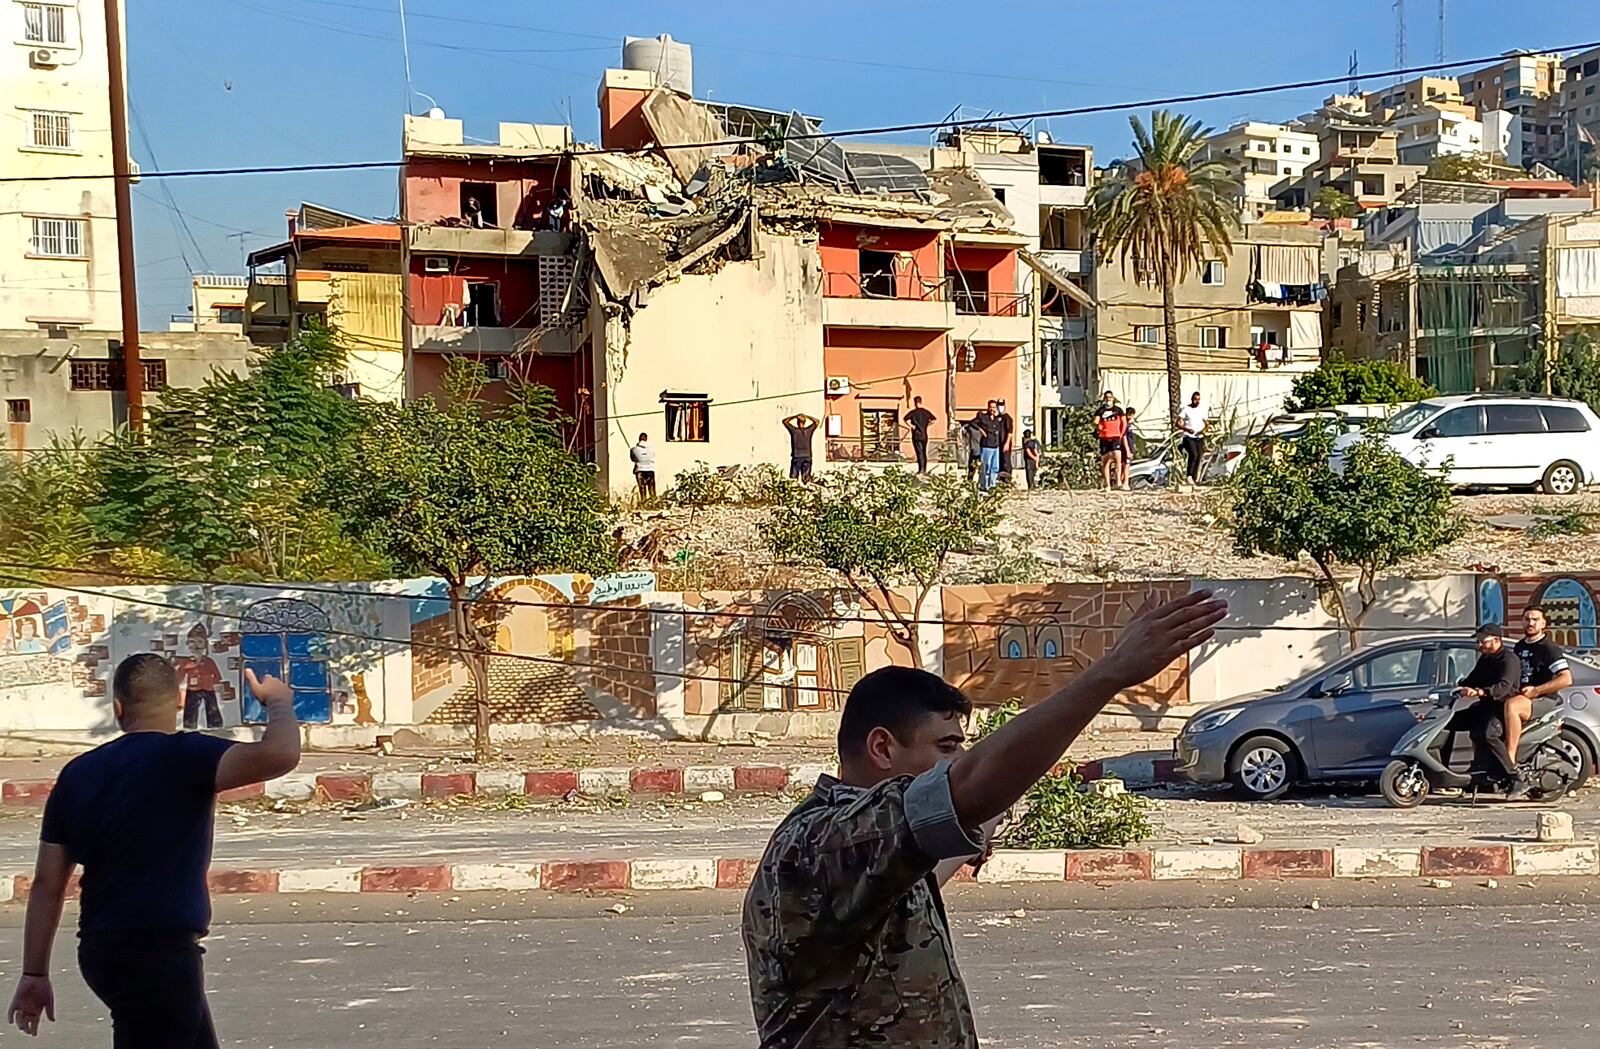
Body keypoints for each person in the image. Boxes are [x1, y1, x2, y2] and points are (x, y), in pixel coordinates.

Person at [742, 590, 1228, 1047]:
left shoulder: (870, 848)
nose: (958, 760)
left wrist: (984, 816)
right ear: (883, 748)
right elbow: (968, 788)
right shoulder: (822, 841)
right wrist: (1109, 674)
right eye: (947, 747)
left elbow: (930, 868)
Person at [7, 655, 303, 1045]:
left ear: (118, 707)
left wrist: (34, 974)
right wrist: (279, 701)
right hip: (159, 955)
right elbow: (281, 753)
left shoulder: (78, 773)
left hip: (102, 951)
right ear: (181, 701)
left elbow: (48, 882)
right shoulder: (188, 756)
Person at [1451, 623, 1528, 798]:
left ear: (1496, 640)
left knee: (1487, 733)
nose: (1479, 645)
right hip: (1485, 706)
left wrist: (1480, 692)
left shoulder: (1509, 659)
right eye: (1478, 641)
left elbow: (1504, 687)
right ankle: (1443, 772)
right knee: (1450, 723)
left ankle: (1515, 776)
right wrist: (1456, 688)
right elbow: (1472, 679)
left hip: (1502, 708)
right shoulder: (1485, 659)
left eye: (1482, 641)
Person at [1511, 605, 1572, 775]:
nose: (1531, 623)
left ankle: (1510, 760)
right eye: (1527, 619)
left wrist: (1536, 691)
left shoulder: (1548, 648)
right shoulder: (1519, 647)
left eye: (1535, 619)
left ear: (1544, 623)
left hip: (1543, 700)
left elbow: (1566, 679)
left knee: (1512, 707)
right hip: (1523, 698)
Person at [173, 624, 224, 730]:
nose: (196, 646)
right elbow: (180, 676)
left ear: (205, 645)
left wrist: (217, 683)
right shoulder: (186, 662)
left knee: (212, 708)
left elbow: (217, 675)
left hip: (208, 688)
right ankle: (189, 726)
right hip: (193, 689)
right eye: (192, 642)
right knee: (191, 709)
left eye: (200, 642)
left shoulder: (208, 661)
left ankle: (215, 726)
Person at [1094, 390, 1127, 491]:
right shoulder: (1100, 411)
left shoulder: (1118, 410)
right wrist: (1098, 427)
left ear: (1113, 398)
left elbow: (1124, 423)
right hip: (1104, 438)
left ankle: (1118, 482)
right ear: (1104, 399)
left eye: (1110, 397)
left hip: (1115, 437)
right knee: (1105, 462)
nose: (1108, 399)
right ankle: (1107, 485)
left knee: (1118, 458)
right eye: (1107, 397)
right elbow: (1095, 421)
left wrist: (1121, 434)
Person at [1177, 391, 1208, 487]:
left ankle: (1195, 477)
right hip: (1188, 436)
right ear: (1192, 399)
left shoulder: (1202, 409)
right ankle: (1189, 475)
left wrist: (1204, 430)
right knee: (1193, 454)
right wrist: (1186, 429)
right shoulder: (1186, 409)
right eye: (1195, 399)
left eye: (1198, 400)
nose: (1197, 401)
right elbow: (1177, 423)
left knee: (1199, 456)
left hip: (1199, 437)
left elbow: (1207, 424)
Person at [905, 396, 936, 474]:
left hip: (916, 435)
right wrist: (927, 425)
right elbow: (934, 419)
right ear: (921, 402)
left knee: (919, 452)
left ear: (915, 403)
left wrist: (912, 426)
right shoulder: (926, 412)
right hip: (924, 435)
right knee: (924, 452)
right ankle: (924, 469)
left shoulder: (913, 412)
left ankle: (921, 469)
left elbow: (905, 419)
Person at [976, 401, 1003, 492]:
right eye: (991, 407)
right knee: (985, 467)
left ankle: (992, 485)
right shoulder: (983, 417)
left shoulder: (996, 419)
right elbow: (973, 423)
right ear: (988, 407)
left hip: (995, 446)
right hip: (986, 446)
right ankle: (983, 485)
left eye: (994, 407)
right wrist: (981, 430)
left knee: (995, 467)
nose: (992, 409)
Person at [784, 414, 818, 482]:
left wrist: (795, 416)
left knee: (793, 478)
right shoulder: (808, 431)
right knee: (806, 478)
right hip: (806, 456)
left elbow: (785, 422)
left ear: (797, 422)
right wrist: (807, 416)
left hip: (797, 456)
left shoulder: (794, 431)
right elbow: (817, 422)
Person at [629, 432, 657, 502]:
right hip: (650, 469)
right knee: (651, 489)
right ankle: (654, 503)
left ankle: (644, 503)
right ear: (646, 439)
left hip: (639, 470)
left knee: (642, 488)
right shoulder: (652, 449)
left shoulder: (633, 449)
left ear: (639, 439)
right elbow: (653, 457)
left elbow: (633, 459)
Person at [995, 399, 1015, 485]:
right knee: (999, 461)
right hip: (997, 444)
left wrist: (1007, 443)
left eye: (1002, 405)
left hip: (1004, 443)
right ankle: (1000, 479)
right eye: (999, 405)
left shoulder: (1007, 418)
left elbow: (1010, 432)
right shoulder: (996, 418)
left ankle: (1007, 480)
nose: (1000, 407)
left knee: (1006, 461)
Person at [1120, 406, 1138, 473]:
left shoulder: (1129, 424)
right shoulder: (1124, 425)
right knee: (1125, 466)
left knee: (1127, 465)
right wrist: (1127, 451)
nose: (1130, 417)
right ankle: (1123, 481)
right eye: (1129, 415)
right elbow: (1124, 437)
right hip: (1126, 448)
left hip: (1130, 447)